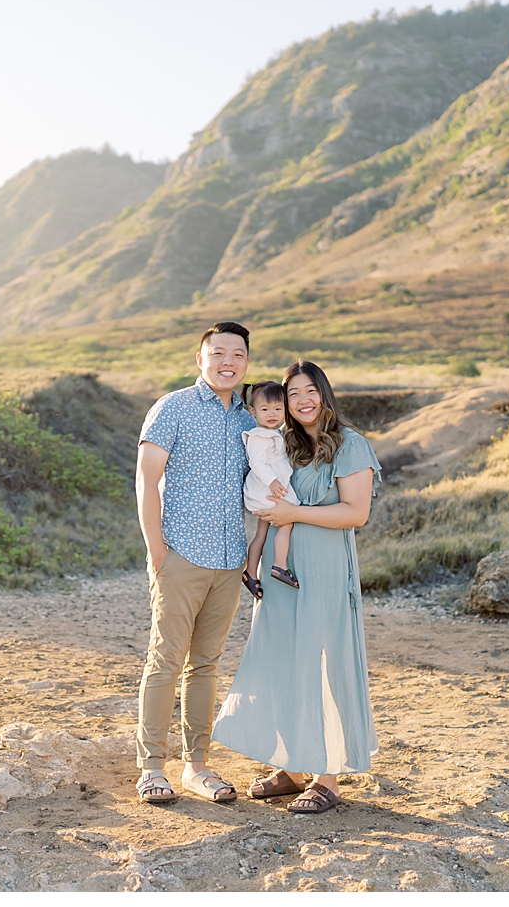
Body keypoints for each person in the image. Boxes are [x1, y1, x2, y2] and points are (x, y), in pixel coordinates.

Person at [212, 360, 383, 814]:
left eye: (310, 391)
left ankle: (326, 775)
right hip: (281, 571)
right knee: (283, 657)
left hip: (324, 568)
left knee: (322, 660)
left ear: (324, 394)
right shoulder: (285, 444)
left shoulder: (350, 445)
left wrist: (294, 515)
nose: (302, 401)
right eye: (293, 394)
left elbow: (355, 513)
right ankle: (290, 766)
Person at [133, 321, 256, 804]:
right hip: (180, 554)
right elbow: (146, 482)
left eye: (238, 354)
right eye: (218, 352)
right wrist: (156, 550)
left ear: (246, 362)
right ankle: (151, 769)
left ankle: (196, 767)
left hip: (230, 560)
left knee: (206, 664)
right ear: (200, 359)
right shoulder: (173, 408)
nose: (228, 361)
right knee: (165, 660)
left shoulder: (251, 419)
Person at [241, 381, 300, 593]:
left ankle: (250, 573)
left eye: (278, 408)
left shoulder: (274, 432)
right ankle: (280, 565)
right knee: (288, 520)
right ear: (253, 411)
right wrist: (272, 481)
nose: (272, 414)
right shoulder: (258, 436)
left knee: (261, 534)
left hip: (265, 492)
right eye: (265, 409)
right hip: (266, 491)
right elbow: (256, 463)